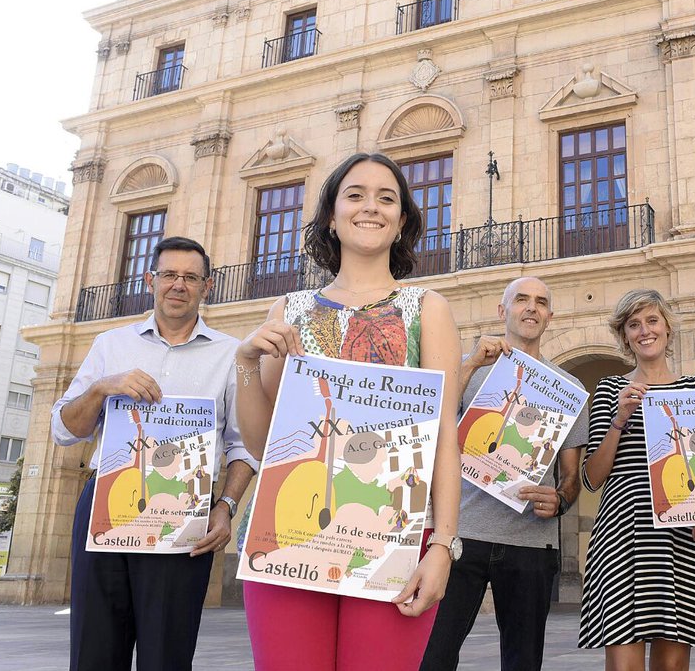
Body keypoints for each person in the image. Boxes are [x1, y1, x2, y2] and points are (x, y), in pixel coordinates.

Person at [234, 152, 462, 671]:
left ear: (401, 221)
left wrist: (444, 546)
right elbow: (263, 445)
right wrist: (246, 364)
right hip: (289, 530)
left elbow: (444, 437)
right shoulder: (288, 311)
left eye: (387, 198)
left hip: (394, 532)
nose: (371, 207)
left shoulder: (428, 309)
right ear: (331, 218)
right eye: (355, 195)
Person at [52, 236, 257, 671]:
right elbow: (64, 430)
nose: (178, 285)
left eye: (190, 277)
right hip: (106, 505)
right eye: (169, 275)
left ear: (207, 286)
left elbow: (244, 445)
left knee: (167, 653)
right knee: (93, 649)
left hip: (183, 513)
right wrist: (102, 387)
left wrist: (226, 506)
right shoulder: (109, 345)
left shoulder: (231, 354)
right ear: (151, 281)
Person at [421, 276, 588, 671]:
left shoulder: (568, 388)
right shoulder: (470, 368)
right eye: (521, 299)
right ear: (502, 311)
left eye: (541, 302)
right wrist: (469, 363)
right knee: (434, 656)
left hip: (531, 543)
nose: (531, 307)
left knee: (523, 661)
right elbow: (433, 423)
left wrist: (560, 500)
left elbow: (570, 476)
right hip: (461, 534)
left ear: (550, 316)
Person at [579, 289, 695, 669]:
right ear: (624, 336)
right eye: (634, 324)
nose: (644, 331)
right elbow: (592, 478)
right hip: (623, 537)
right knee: (623, 664)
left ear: (667, 328)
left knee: (673, 665)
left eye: (652, 321)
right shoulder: (610, 391)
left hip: (683, 540)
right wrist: (619, 419)